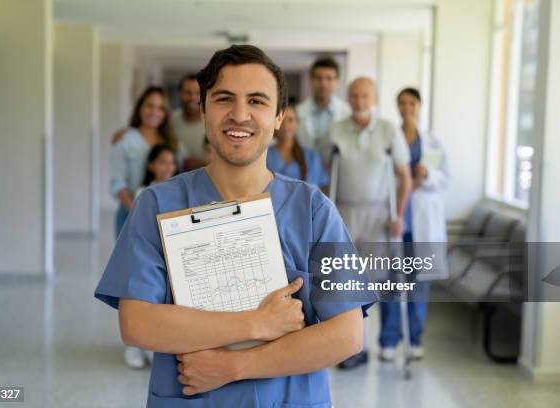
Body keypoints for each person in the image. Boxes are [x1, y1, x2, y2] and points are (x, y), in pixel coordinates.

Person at [95, 44, 374, 408]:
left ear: (278, 116)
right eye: (225, 99)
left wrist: (235, 365)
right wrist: (257, 324)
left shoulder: (315, 211)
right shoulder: (157, 205)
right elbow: (137, 324)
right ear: (203, 109)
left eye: (257, 101)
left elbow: (347, 335)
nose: (239, 115)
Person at [328, 77, 412, 369]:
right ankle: (353, 347)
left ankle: (383, 341)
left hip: (379, 215)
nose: (359, 101)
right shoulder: (336, 128)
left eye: (365, 96)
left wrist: (398, 214)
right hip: (345, 212)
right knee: (344, 281)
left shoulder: (389, 130)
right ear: (348, 98)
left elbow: (405, 177)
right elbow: (330, 172)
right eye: (354, 96)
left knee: (376, 282)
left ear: (374, 98)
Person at [109, 86, 181, 369]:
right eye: (149, 105)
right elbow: (117, 182)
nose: (155, 112)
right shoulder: (125, 140)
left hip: (166, 220)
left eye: (161, 107)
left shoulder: (170, 141)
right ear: (140, 107)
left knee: (159, 285)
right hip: (132, 216)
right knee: (133, 284)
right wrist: (139, 214)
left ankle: (151, 340)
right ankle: (132, 344)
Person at [378, 87, 449, 361]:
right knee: (391, 284)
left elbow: (445, 178)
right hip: (396, 221)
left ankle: (415, 339)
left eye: (411, 103)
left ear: (419, 106)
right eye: (402, 103)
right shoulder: (390, 138)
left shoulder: (432, 142)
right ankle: (388, 340)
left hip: (422, 225)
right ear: (397, 107)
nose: (406, 107)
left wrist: (427, 175)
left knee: (419, 286)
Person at [296, 57, 351, 156]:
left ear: (337, 81)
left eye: (329, 78)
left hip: (336, 169)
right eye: (318, 78)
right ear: (311, 80)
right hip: (304, 168)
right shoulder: (298, 112)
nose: (323, 84)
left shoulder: (347, 113)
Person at [267, 104, 329, 189]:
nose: (285, 125)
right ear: (275, 123)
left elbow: (319, 192)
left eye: (290, 120)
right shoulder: (265, 156)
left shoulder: (311, 157)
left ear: (297, 123)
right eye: (281, 120)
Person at [171, 74, 206, 170]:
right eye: (187, 92)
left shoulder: (213, 121)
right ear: (179, 94)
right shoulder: (170, 119)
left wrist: (200, 165)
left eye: (197, 93)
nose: (192, 97)